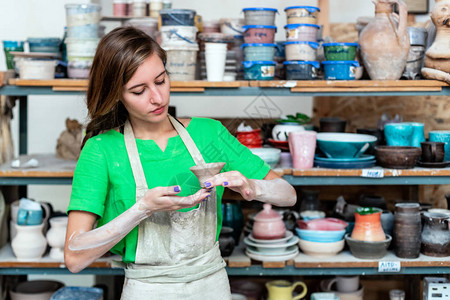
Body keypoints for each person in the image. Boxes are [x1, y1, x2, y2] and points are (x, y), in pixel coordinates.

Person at [64, 26, 297, 300]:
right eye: (139, 90)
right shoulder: (102, 151)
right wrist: (143, 209)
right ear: (117, 94)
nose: (157, 98)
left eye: (161, 81)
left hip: (211, 286)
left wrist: (253, 188)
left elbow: (288, 195)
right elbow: (74, 258)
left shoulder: (208, 134)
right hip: (146, 290)